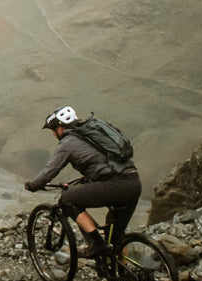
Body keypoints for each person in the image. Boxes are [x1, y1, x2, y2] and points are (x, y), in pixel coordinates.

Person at [24, 105, 142, 257]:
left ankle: (96, 244)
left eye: (53, 131)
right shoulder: (91, 135)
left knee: (67, 200)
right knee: (115, 235)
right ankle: (121, 278)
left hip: (116, 184)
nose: (54, 135)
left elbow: (49, 171)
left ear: (60, 129)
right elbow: (102, 163)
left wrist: (33, 185)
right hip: (133, 183)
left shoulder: (68, 143)